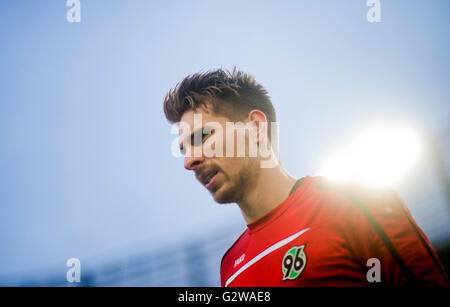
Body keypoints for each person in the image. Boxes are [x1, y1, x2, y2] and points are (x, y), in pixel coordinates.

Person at [162, 68, 449, 287]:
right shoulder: (231, 269)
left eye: (203, 136)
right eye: (184, 148)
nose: (190, 161)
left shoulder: (354, 200)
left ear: (255, 127)